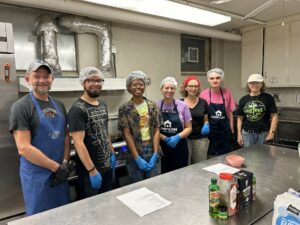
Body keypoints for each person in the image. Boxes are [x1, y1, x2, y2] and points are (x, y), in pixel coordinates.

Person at [9, 60, 70, 215]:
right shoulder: (21, 107)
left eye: (46, 76)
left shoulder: (59, 104)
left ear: (52, 80)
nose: (42, 80)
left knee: (63, 215)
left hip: (59, 173)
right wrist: (56, 168)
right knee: (40, 218)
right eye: (37, 76)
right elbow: (24, 148)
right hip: (37, 177)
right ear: (27, 79)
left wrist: (64, 163)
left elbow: (65, 136)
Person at [67, 67, 116, 199]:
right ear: (83, 82)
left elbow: (105, 132)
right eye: (91, 80)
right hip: (90, 172)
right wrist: (92, 170)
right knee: (91, 209)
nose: (96, 84)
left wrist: (112, 153)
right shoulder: (77, 110)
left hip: (107, 166)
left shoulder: (102, 105)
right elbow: (78, 142)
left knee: (106, 203)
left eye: (99, 81)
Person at [118, 71, 161, 183]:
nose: (138, 87)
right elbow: (127, 134)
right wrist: (136, 157)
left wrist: (155, 153)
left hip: (151, 147)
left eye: (141, 84)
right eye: (134, 84)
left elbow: (156, 130)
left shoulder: (153, 106)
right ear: (129, 87)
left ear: (144, 86)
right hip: (134, 150)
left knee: (154, 183)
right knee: (137, 186)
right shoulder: (125, 108)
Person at [158, 77, 192, 173]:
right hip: (162, 147)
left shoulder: (182, 105)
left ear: (175, 90)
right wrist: (164, 138)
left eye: (172, 88)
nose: (169, 90)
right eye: (166, 88)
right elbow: (152, 128)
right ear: (161, 89)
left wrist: (177, 137)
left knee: (181, 175)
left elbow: (189, 127)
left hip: (180, 147)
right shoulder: (156, 105)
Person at [200, 68, 236, 157]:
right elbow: (202, 114)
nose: (215, 80)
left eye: (217, 78)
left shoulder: (227, 93)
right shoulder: (203, 94)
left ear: (221, 79)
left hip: (225, 131)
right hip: (210, 131)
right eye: (212, 78)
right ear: (208, 80)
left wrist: (231, 129)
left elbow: (230, 113)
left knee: (225, 157)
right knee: (210, 157)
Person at [237, 74, 278, 147]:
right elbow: (240, 118)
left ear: (262, 84)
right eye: (251, 83)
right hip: (247, 134)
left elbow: (274, 116)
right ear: (248, 84)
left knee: (263, 157)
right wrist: (239, 134)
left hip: (263, 134)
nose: (254, 85)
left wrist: (272, 133)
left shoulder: (268, 98)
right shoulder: (243, 100)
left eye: (257, 82)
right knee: (248, 156)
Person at [179, 76, 209, 164]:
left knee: (200, 165)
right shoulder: (179, 103)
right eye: (190, 86)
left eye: (195, 86)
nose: (193, 88)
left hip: (200, 139)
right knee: (185, 164)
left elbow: (206, 119)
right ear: (185, 87)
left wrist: (206, 125)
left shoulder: (203, 103)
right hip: (185, 139)